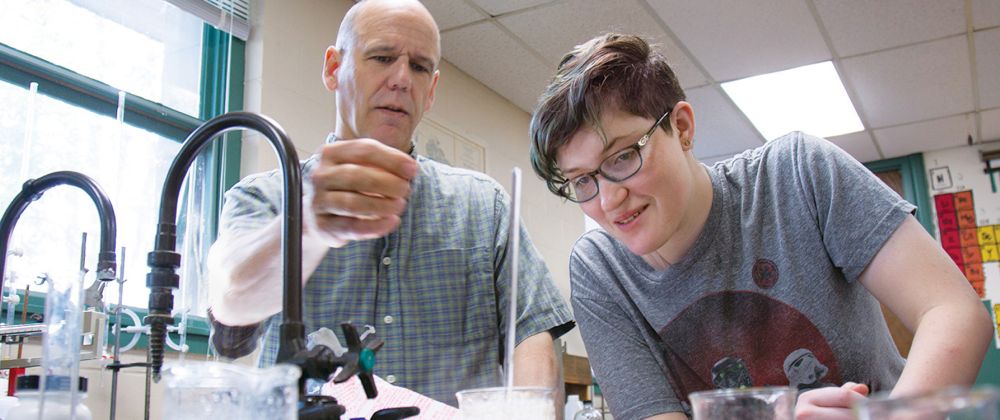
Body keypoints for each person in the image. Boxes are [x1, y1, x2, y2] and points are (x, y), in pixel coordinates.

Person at [528, 32, 992, 420]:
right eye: (582, 180)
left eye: (624, 157)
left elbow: (955, 313)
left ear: (683, 128)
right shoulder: (600, 270)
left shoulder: (796, 174)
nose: (609, 200)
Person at [206, 0, 574, 407]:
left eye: (418, 67)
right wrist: (310, 222)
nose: (401, 79)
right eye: (381, 57)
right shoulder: (268, 196)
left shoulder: (485, 208)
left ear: (431, 90)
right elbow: (232, 301)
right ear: (333, 69)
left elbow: (532, 332)